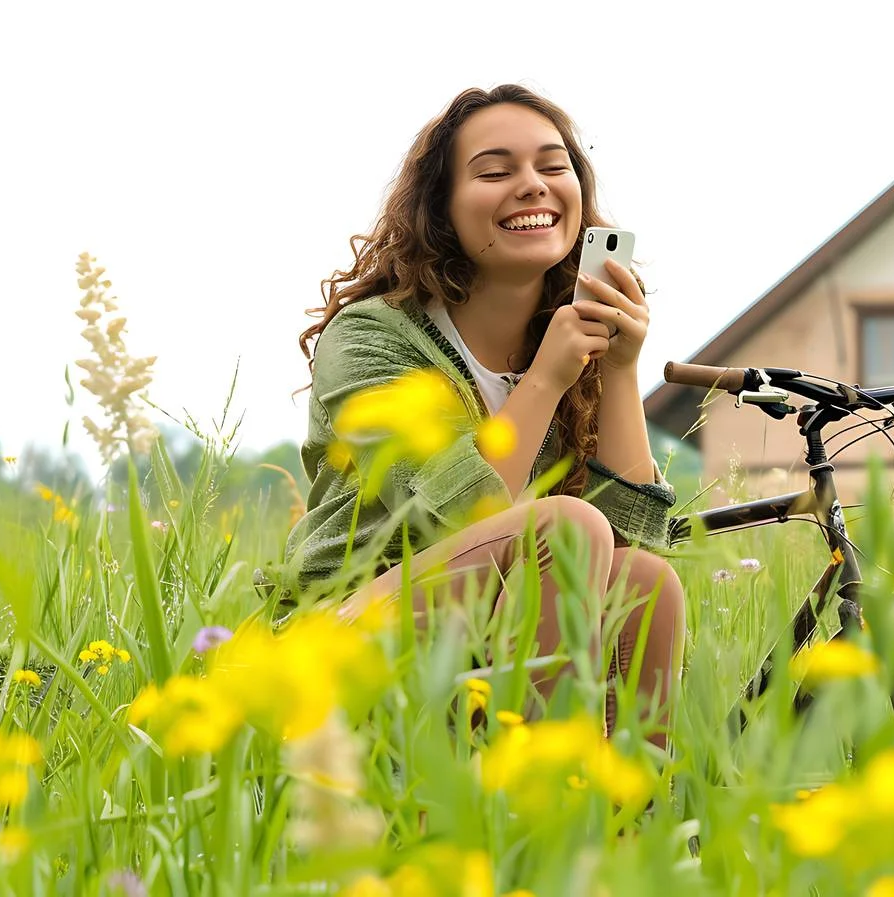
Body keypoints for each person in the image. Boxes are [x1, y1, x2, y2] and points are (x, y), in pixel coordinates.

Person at [282, 84, 686, 752]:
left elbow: (627, 546)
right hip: (338, 639)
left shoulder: (558, 337)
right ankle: (538, 811)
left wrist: (617, 369)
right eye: (495, 172)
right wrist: (549, 377)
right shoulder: (372, 339)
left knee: (648, 582)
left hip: (481, 642)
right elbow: (460, 515)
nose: (532, 186)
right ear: (440, 208)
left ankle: (622, 837)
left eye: (554, 168)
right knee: (567, 524)